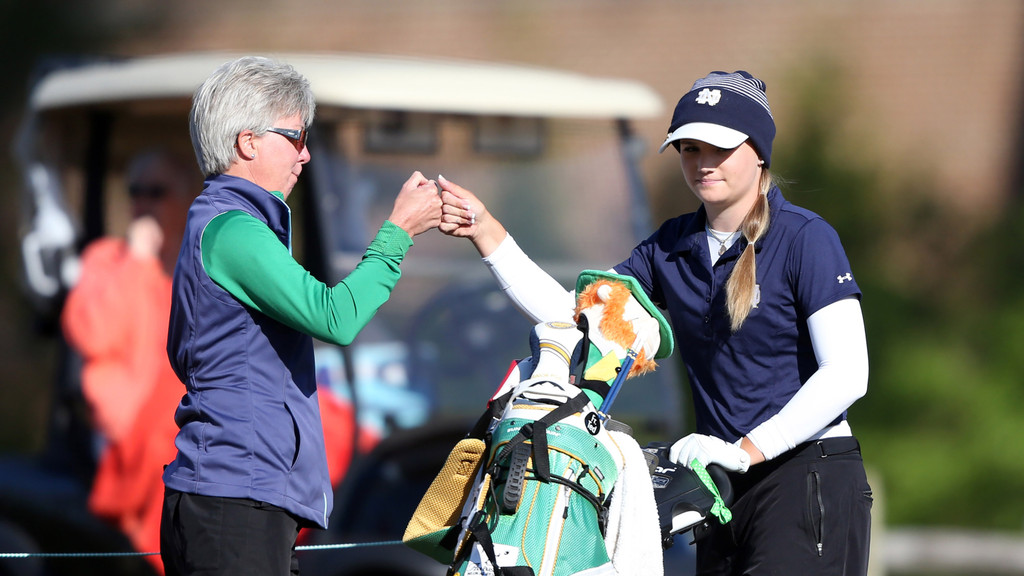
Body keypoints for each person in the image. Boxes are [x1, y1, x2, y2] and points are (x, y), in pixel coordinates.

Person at [438, 70, 872, 575]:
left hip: (806, 475)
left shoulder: (806, 238)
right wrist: (487, 231)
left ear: (759, 152)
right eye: (689, 148)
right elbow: (579, 319)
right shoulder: (670, 246)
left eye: (719, 148)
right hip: (720, 485)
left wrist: (747, 451)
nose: (703, 163)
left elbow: (847, 374)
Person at [159, 55, 441, 576]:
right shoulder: (234, 229)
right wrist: (398, 232)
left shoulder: (225, 226)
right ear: (247, 142)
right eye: (295, 137)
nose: (305, 155)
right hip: (236, 499)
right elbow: (336, 318)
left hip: (237, 496)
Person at [61, 149, 196, 574]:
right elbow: (93, 334)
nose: (144, 203)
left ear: (186, 199)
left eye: (157, 192)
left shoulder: (199, 267)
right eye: (136, 192)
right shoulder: (107, 259)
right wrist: (137, 260)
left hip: (186, 409)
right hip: (128, 426)